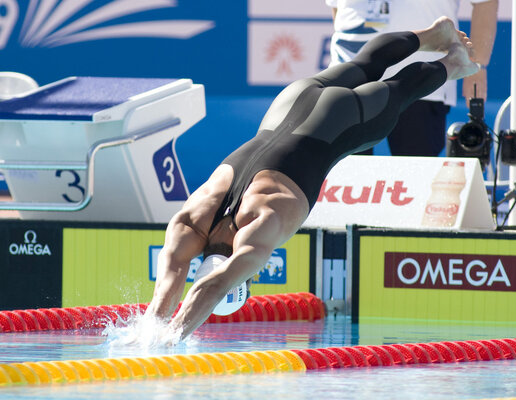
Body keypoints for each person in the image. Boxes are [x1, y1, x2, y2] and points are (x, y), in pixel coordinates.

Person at [145, 17, 479, 342]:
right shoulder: (188, 221)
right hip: (291, 101)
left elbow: (213, 285)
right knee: (364, 63)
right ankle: (431, 34)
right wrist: (149, 332)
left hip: (342, 122)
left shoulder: (260, 227)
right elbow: (171, 283)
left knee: (400, 90)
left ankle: (453, 62)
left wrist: (172, 341)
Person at [327, 0, 498, 156]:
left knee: (416, 178)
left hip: (422, 80)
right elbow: (337, 7)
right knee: (345, 178)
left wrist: (478, 66)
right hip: (349, 79)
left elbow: (484, 2)